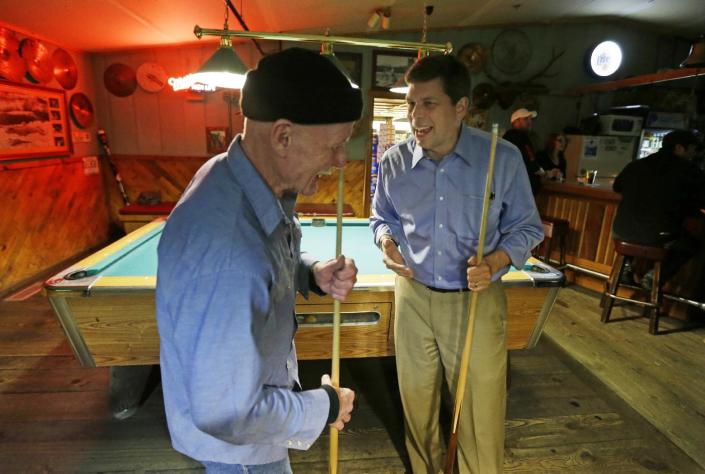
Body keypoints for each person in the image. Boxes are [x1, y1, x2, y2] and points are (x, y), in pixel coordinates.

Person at [156, 48, 363, 472]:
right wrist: (324, 406)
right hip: (241, 450)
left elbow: (268, 251)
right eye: (335, 146)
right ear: (283, 136)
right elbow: (226, 413)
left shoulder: (230, 171)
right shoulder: (230, 254)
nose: (341, 161)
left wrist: (309, 272)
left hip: (250, 430)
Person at [370, 54, 543, 473]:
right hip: (413, 297)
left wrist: (497, 260)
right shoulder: (393, 162)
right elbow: (382, 217)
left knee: (479, 415)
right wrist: (387, 241)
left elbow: (527, 228)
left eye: (429, 104)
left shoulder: (501, 159)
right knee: (417, 406)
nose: (416, 115)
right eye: (412, 104)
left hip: (476, 301)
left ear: (461, 108)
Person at [612, 130, 705, 289]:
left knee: (636, 229)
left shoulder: (637, 164)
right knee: (692, 243)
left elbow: (617, 187)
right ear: (679, 148)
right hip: (660, 236)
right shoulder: (690, 171)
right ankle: (655, 278)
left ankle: (626, 267)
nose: (694, 154)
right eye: (692, 149)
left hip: (620, 232)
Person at [503, 108, 544, 195]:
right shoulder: (522, 138)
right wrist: (542, 172)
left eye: (530, 119)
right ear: (516, 122)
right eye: (526, 119)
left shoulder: (505, 138)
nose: (530, 122)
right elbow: (530, 161)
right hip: (522, 188)